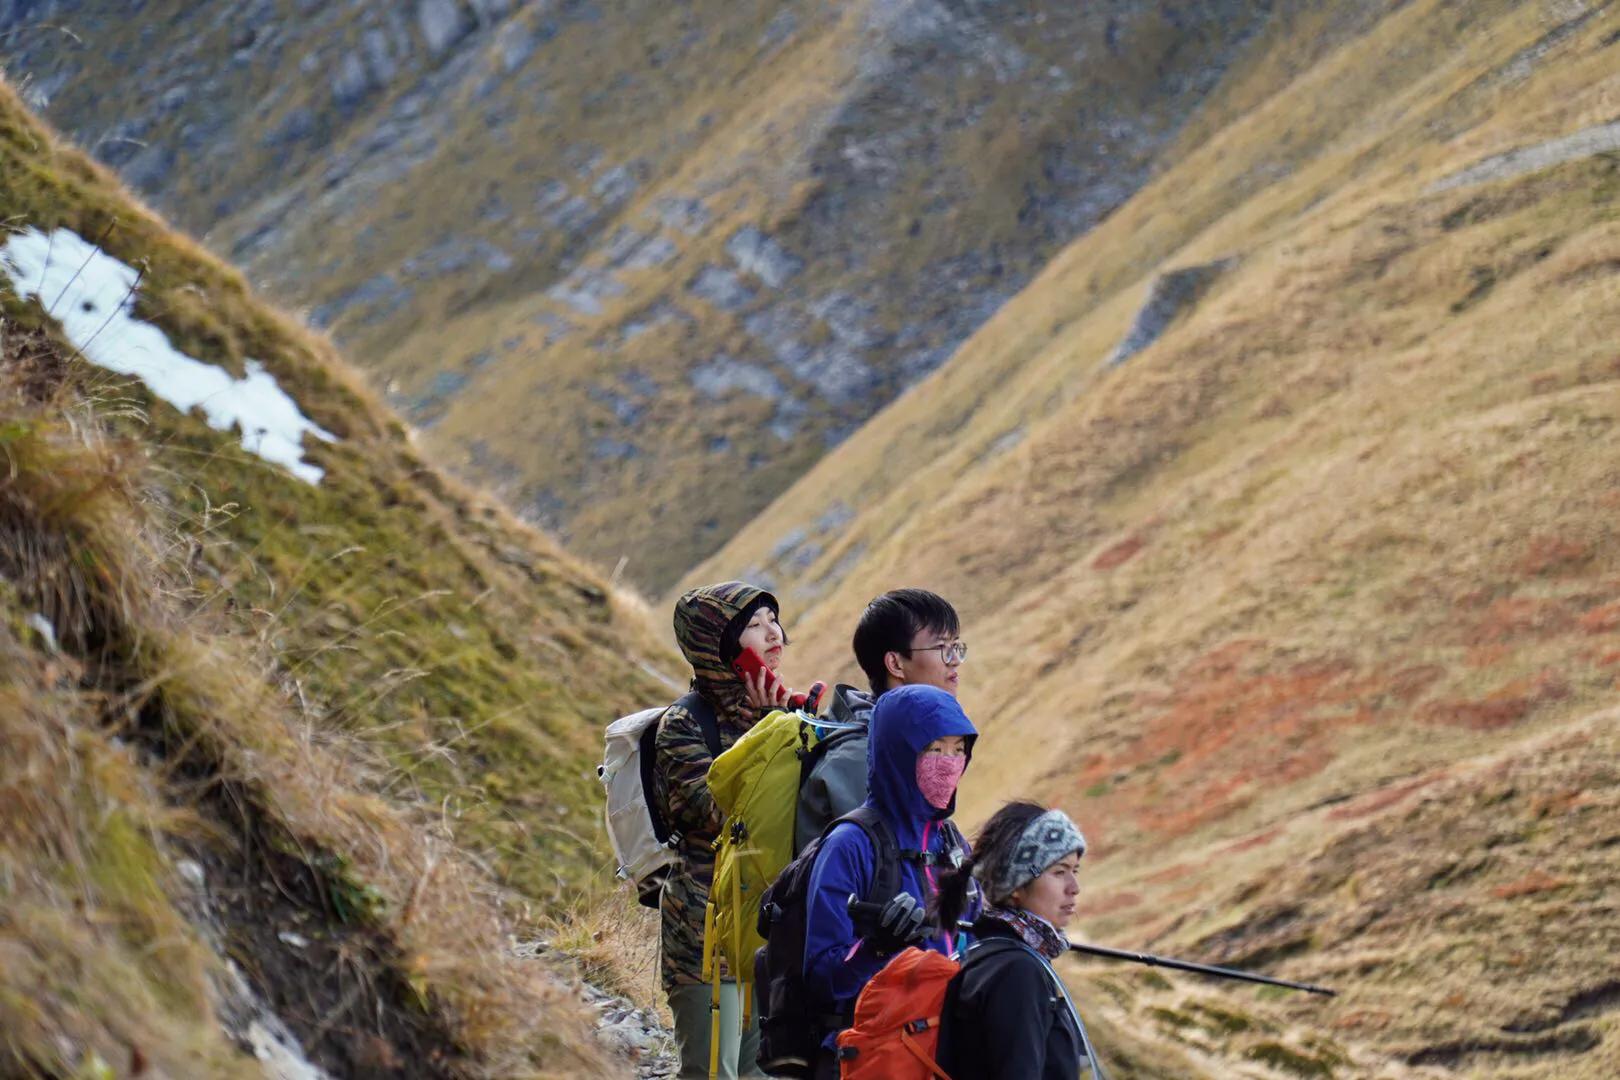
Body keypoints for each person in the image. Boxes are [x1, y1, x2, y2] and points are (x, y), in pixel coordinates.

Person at [654, 582, 795, 1079]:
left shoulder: (786, 714)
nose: (773, 634)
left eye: (773, 620)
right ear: (718, 645)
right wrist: (770, 729)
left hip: (766, 927)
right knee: (714, 1070)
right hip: (703, 929)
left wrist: (783, 721)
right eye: (754, 625)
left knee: (765, 1071)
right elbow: (723, 816)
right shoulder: (684, 726)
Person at [801, 684, 976, 1079]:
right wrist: (875, 948)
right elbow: (821, 979)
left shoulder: (953, 846)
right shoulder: (849, 845)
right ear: (898, 752)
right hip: (870, 1061)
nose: (949, 763)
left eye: (958, 749)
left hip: (940, 1057)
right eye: (934, 749)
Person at [933, 801, 1104, 1079]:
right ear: (1015, 886)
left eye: (1075, 871)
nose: (1074, 888)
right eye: (1059, 872)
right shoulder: (1017, 971)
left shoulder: (990, 954)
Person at [795, 589, 968, 852]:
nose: (955, 661)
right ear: (895, 664)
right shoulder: (860, 756)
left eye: (956, 646)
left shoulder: (899, 742)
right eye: (941, 647)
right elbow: (891, 861)